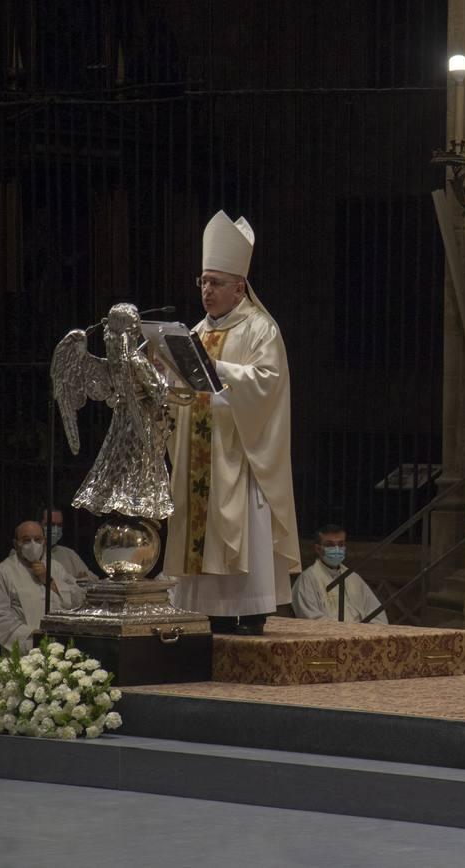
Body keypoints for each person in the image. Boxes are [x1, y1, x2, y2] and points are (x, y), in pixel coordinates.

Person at [162, 211, 300, 635]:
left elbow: (268, 384)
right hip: (201, 453)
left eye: (216, 283)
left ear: (239, 287)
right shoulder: (194, 332)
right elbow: (179, 391)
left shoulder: (262, 329)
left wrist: (217, 369)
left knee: (245, 528)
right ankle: (205, 611)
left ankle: (251, 610)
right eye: (202, 281)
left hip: (240, 451)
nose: (207, 290)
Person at [0, 520, 86, 651]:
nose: (33, 545)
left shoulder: (55, 567)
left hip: (61, 641)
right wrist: (35, 634)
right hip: (27, 644)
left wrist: (48, 581)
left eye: (37, 539)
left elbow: (78, 600)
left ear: (44, 541)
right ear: (16, 544)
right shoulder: (2, 572)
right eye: (26, 540)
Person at [292, 524, 387, 624]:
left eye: (341, 544)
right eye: (330, 545)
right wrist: (345, 631)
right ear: (318, 549)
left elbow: (376, 612)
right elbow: (310, 617)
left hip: (360, 634)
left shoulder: (353, 577)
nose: (337, 549)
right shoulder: (308, 579)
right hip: (330, 636)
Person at [41, 508, 98, 583]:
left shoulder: (69, 553)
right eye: (51, 524)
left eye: (59, 525)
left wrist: (83, 578)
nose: (55, 529)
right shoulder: (33, 554)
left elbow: (94, 578)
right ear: (39, 524)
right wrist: (75, 581)